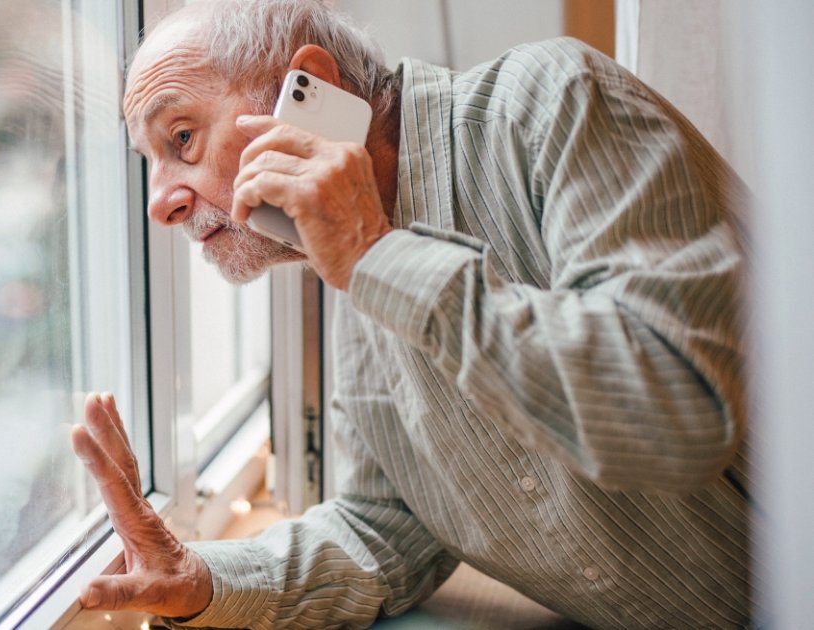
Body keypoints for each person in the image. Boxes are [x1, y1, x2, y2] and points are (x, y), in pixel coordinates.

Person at [69, 0, 754, 627]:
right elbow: (386, 530)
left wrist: (378, 255)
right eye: (149, 162)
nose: (161, 204)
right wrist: (201, 579)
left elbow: (678, 408)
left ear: (307, 89)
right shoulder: (355, 290)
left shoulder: (553, 102)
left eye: (182, 139)